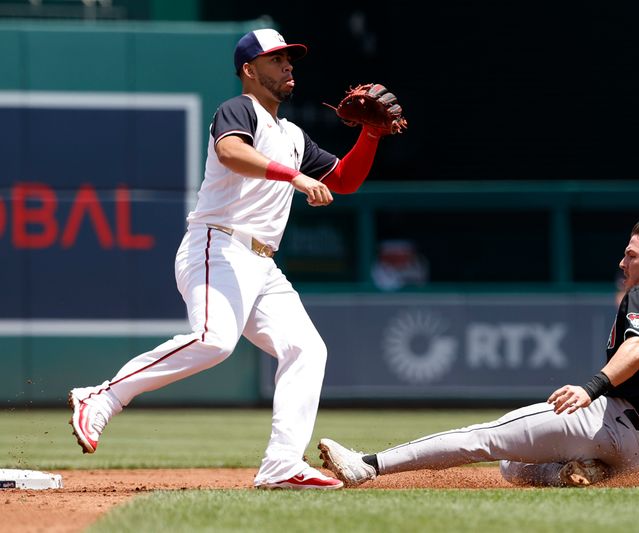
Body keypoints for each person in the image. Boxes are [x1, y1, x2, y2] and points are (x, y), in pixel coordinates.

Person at [68, 28, 401, 490]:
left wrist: (369, 135)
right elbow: (230, 152)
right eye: (276, 59)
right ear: (249, 69)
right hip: (217, 245)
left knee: (307, 349)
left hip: (263, 263)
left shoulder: (292, 135)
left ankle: (282, 463)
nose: (288, 66)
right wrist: (296, 179)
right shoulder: (239, 109)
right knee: (215, 340)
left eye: (290, 59)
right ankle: (100, 398)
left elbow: (343, 180)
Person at [319, 206, 639, 487]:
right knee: (511, 467)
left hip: (611, 422)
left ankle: (367, 465)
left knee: (484, 436)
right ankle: (581, 473)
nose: (623, 263)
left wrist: (590, 388)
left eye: (632, 255)